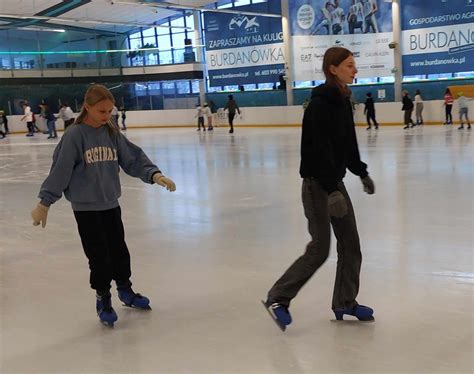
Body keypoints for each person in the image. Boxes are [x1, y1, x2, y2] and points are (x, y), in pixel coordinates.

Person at [30, 84, 176, 327]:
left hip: (110, 203)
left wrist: (154, 174)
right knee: (98, 257)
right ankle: (103, 297)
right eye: (102, 112)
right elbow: (60, 171)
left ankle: (125, 290)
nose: (107, 116)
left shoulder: (110, 132)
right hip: (86, 208)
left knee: (119, 250)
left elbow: (132, 157)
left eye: (110, 111)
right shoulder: (75, 136)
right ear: (87, 107)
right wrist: (45, 202)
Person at [262, 47, 375, 331]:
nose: (355, 70)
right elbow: (314, 151)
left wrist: (361, 173)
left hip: (334, 182)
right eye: (350, 65)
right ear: (333, 69)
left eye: (355, 65)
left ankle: (345, 302)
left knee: (351, 245)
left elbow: (348, 144)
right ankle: (278, 298)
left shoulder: (343, 100)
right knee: (320, 248)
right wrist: (329, 189)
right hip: (316, 185)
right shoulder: (319, 105)